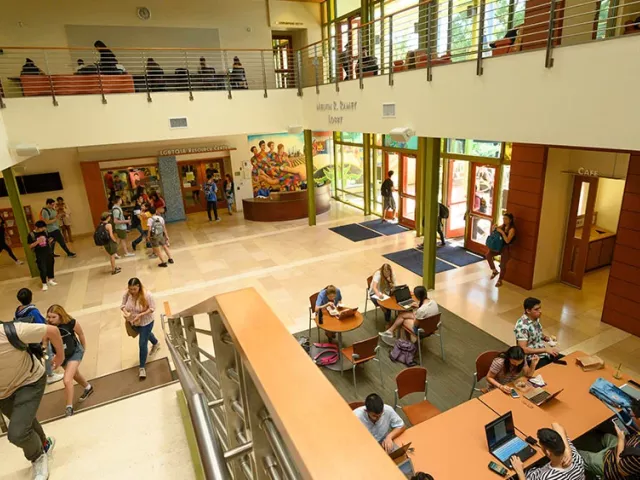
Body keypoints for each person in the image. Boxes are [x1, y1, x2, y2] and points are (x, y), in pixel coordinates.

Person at [0, 318, 64, 480]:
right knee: (23, 422)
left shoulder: (11, 332)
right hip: (3, 394)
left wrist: (60, 356)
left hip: (29, 381)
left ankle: (38, 457)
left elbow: (52, 331)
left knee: (17, 433)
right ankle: (45, 444)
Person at [45, 305, 93, 417]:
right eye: (49, 317)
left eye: (53, 317)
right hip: (62, 356)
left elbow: (80, 334)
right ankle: (88, 387)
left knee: (67, 379)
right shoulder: (48, 327)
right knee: (74, 374)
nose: (50, 320)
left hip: (75, 352)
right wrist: (51, 357)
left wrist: (83, 348)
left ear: (60, 316)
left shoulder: (70, 322)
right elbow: (46, 342)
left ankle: (69, 408)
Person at [578, 399, 640, 479]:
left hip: (612, 467)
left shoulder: (637, 455)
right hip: (623, 449)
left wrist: (621, 439)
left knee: (581, 456)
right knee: (606, 436)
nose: (631, 418)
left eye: (632, 416)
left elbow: (621, 469)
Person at [15, 288, 64, 385]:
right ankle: (50, 375)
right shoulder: (33, 311)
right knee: (47, 355)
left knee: (36, 356)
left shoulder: (18, 310)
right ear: (31, 297)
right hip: (38, 338)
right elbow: (41, 324)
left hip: (27, 337)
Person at [511, 423, 585, 480]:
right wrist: (568, 450)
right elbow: (555, 424)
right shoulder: (575, 458)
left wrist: (520, 471)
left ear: (548, 452)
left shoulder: (548, 477)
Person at [121, 278, 161, 379]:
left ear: (139, 286)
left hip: (146, 322)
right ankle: (156, 343)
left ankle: (142, 367)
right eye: (130, 289)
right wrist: (127, 314)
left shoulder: (147, 295)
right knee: (146, 335)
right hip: (133, 322)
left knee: (142, 343)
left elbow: (152, 308)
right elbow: (122, 306)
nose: (132, 292)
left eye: (134, 289)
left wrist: (141, 315)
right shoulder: (127, 294)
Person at [515, 298, 562, 369]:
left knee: (566, 360)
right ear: (528, 311)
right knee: (553, 372)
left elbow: (536, 333)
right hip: (532, 359)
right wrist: (545, 350)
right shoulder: (522, 327)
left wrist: (546, 338)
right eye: (536, 309)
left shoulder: (534, 318)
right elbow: (523, 349)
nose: (540, 311)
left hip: (543, 354)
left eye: (540, 308)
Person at [485, 212, 516, 287]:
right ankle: (494, 270)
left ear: (510, 220)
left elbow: (507, 240)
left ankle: (500, 280)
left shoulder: (512, 229)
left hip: (506, 248)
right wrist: (494, 228)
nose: (504, 220)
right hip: (498, 246)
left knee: (502, 265)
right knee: (488, 255)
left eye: (506, 219)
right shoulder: (502, 226)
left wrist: (502, 232)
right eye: (503, 219)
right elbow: (494, 232)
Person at [28, 221, 56, 291]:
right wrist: (38, 242)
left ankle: (50, 280)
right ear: (37, 227)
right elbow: (30, 246)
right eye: (42, 228)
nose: (43, 229)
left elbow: (47, 240)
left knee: (50, 265)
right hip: (40, 254)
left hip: (48, 252)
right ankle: (44, 283)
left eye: (44, 228)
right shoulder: (31, 235)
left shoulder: (45, 232)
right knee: (43, 269)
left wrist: (50, 240)